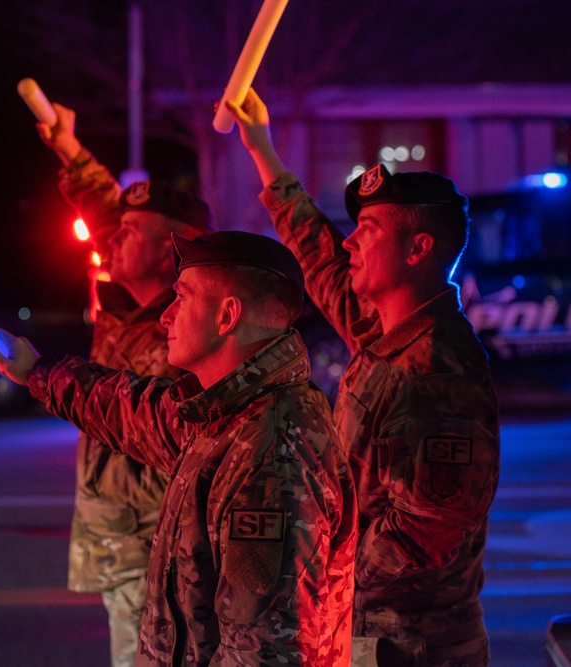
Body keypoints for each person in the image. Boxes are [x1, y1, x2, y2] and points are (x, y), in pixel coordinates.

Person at [0, 231, 357, 666]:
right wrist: (38, 373)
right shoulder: (228, 412)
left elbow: (263, 654)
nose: (166, 316)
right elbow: (134, 410)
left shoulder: (271, 453)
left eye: (182, 297)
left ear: (227, 315)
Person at [226, 89, 500, 667]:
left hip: (413, 647)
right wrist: (264, 153)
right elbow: (320, 257)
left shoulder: (438, 371)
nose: (350, 239)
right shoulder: (384, 337)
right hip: (367, 635)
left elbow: (428, 528)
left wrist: (313, 568)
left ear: (417, 249)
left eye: (369, 228)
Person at [35, 101, 212, 666]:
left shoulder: (185, 338)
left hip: (152, 557)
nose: (112, 239)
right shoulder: (122, 306)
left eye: (132, 233)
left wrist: (37, 374)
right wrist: (68, 144)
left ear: (172, 251)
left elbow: (172, 455)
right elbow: (104, 207)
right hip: (119, 550)